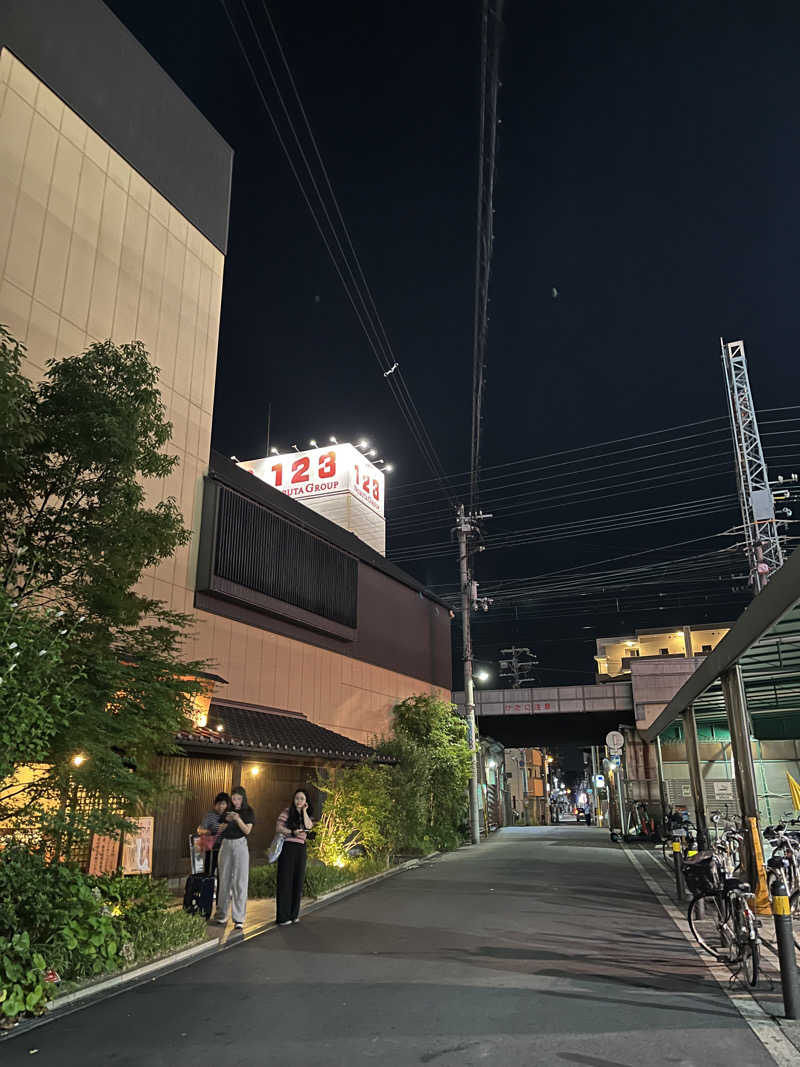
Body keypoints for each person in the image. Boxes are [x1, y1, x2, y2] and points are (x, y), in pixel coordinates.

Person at [214, 786, 255, 930]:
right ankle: (221, 914)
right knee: (224, 880)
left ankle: (239, 918)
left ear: (243, 799)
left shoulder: (248, 811)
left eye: (238, 798)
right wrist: (226, 821)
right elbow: (219, 829)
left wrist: (237, 819)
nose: (235, 801)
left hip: (240, 845)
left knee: (240, 881)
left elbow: (247, 830)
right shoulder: (227, 811)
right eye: (233, 798)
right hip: (226, 844)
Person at [275, 788, 314, 926]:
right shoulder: (287, 812)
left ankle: (294, 914)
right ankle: (283, 917)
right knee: (286, 881)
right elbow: (278, 827)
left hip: (301, 849)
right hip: (288, 848)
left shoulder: (306, 814)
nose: (299, 801)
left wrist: (304, 811)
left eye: (302, 799)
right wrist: (292, 833)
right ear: (293, 799)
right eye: (297, 798)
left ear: (306, 801)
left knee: (298, 880)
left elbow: (309, 827)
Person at [197, 792, 230, 878]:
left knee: (223, 875)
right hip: (212, 850)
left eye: (223, 804)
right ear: (215, 804)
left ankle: (220, 891)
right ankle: (208, 889)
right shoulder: (209, 815)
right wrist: (210, 832)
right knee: (209, 874)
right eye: (219, 804)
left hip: (226, 850)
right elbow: (199, 830)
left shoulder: (229, 816)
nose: (221, 806)